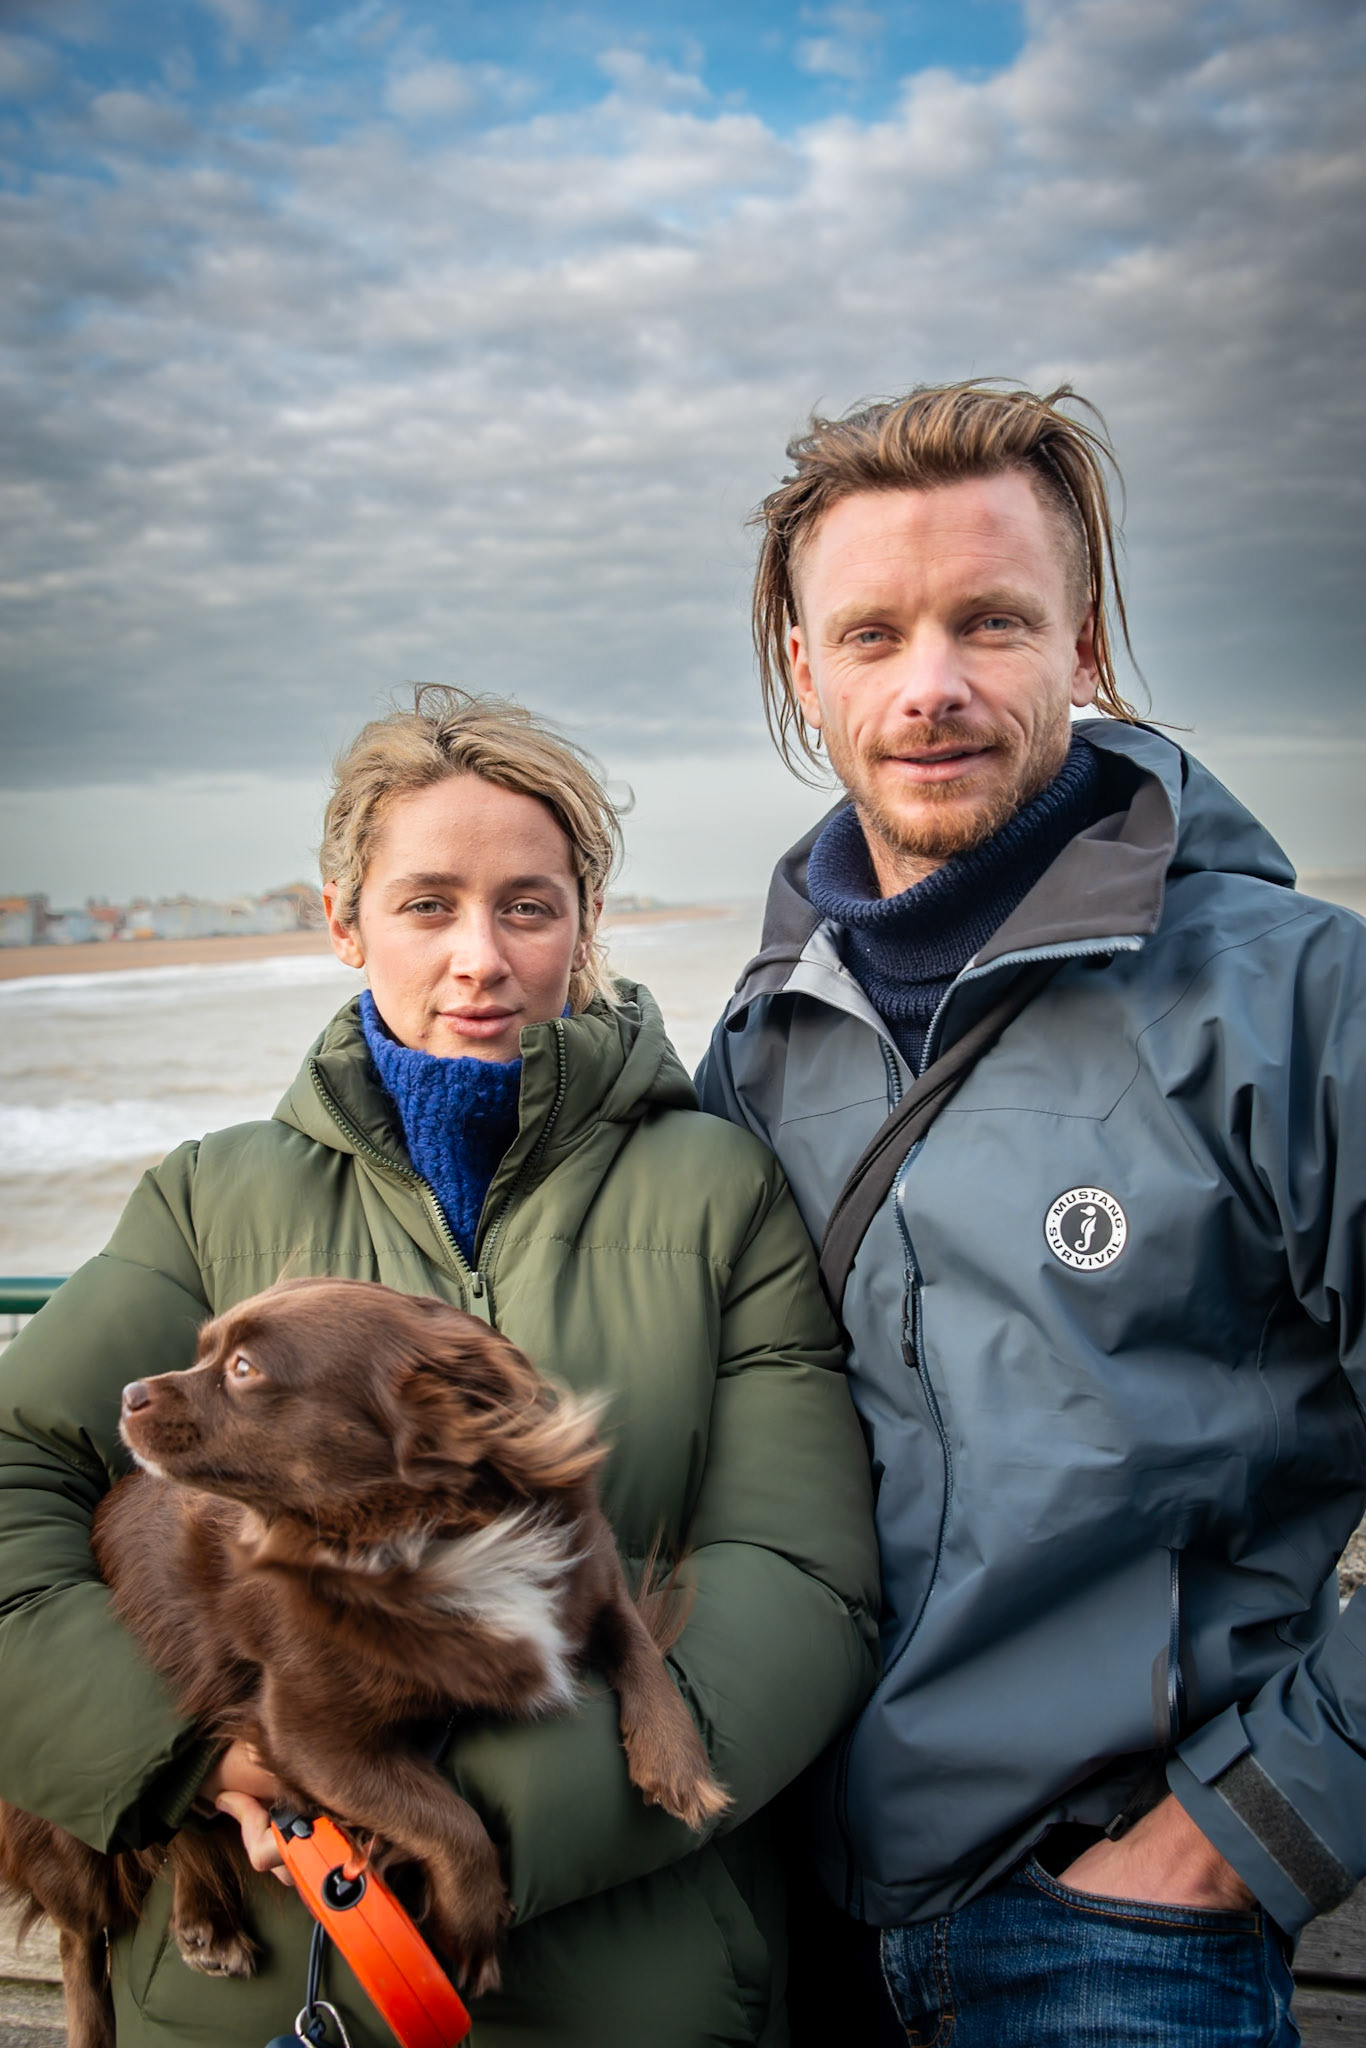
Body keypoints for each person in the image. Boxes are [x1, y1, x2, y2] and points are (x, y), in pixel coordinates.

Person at [0, 686, 879, 2048]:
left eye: (527, 905)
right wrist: (173, 1757)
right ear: (345, 920)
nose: (481, 956)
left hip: (639, 1988)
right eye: (426, 905)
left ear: (583, 921)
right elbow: (11, 1476)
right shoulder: (207, 1199)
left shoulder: (717, 1186)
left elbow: (803, 1577)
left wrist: (482, 1840)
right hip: (261, 1997)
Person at [697, 379, 1366, 2046]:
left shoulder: (1289, 997)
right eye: (869, 634)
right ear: (803, 669)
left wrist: (1242, 1834)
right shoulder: (764, 1040)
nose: (928, 687)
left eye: (990, 622)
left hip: (1115, 1929)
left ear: (1083, 649)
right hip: (788, 1913)